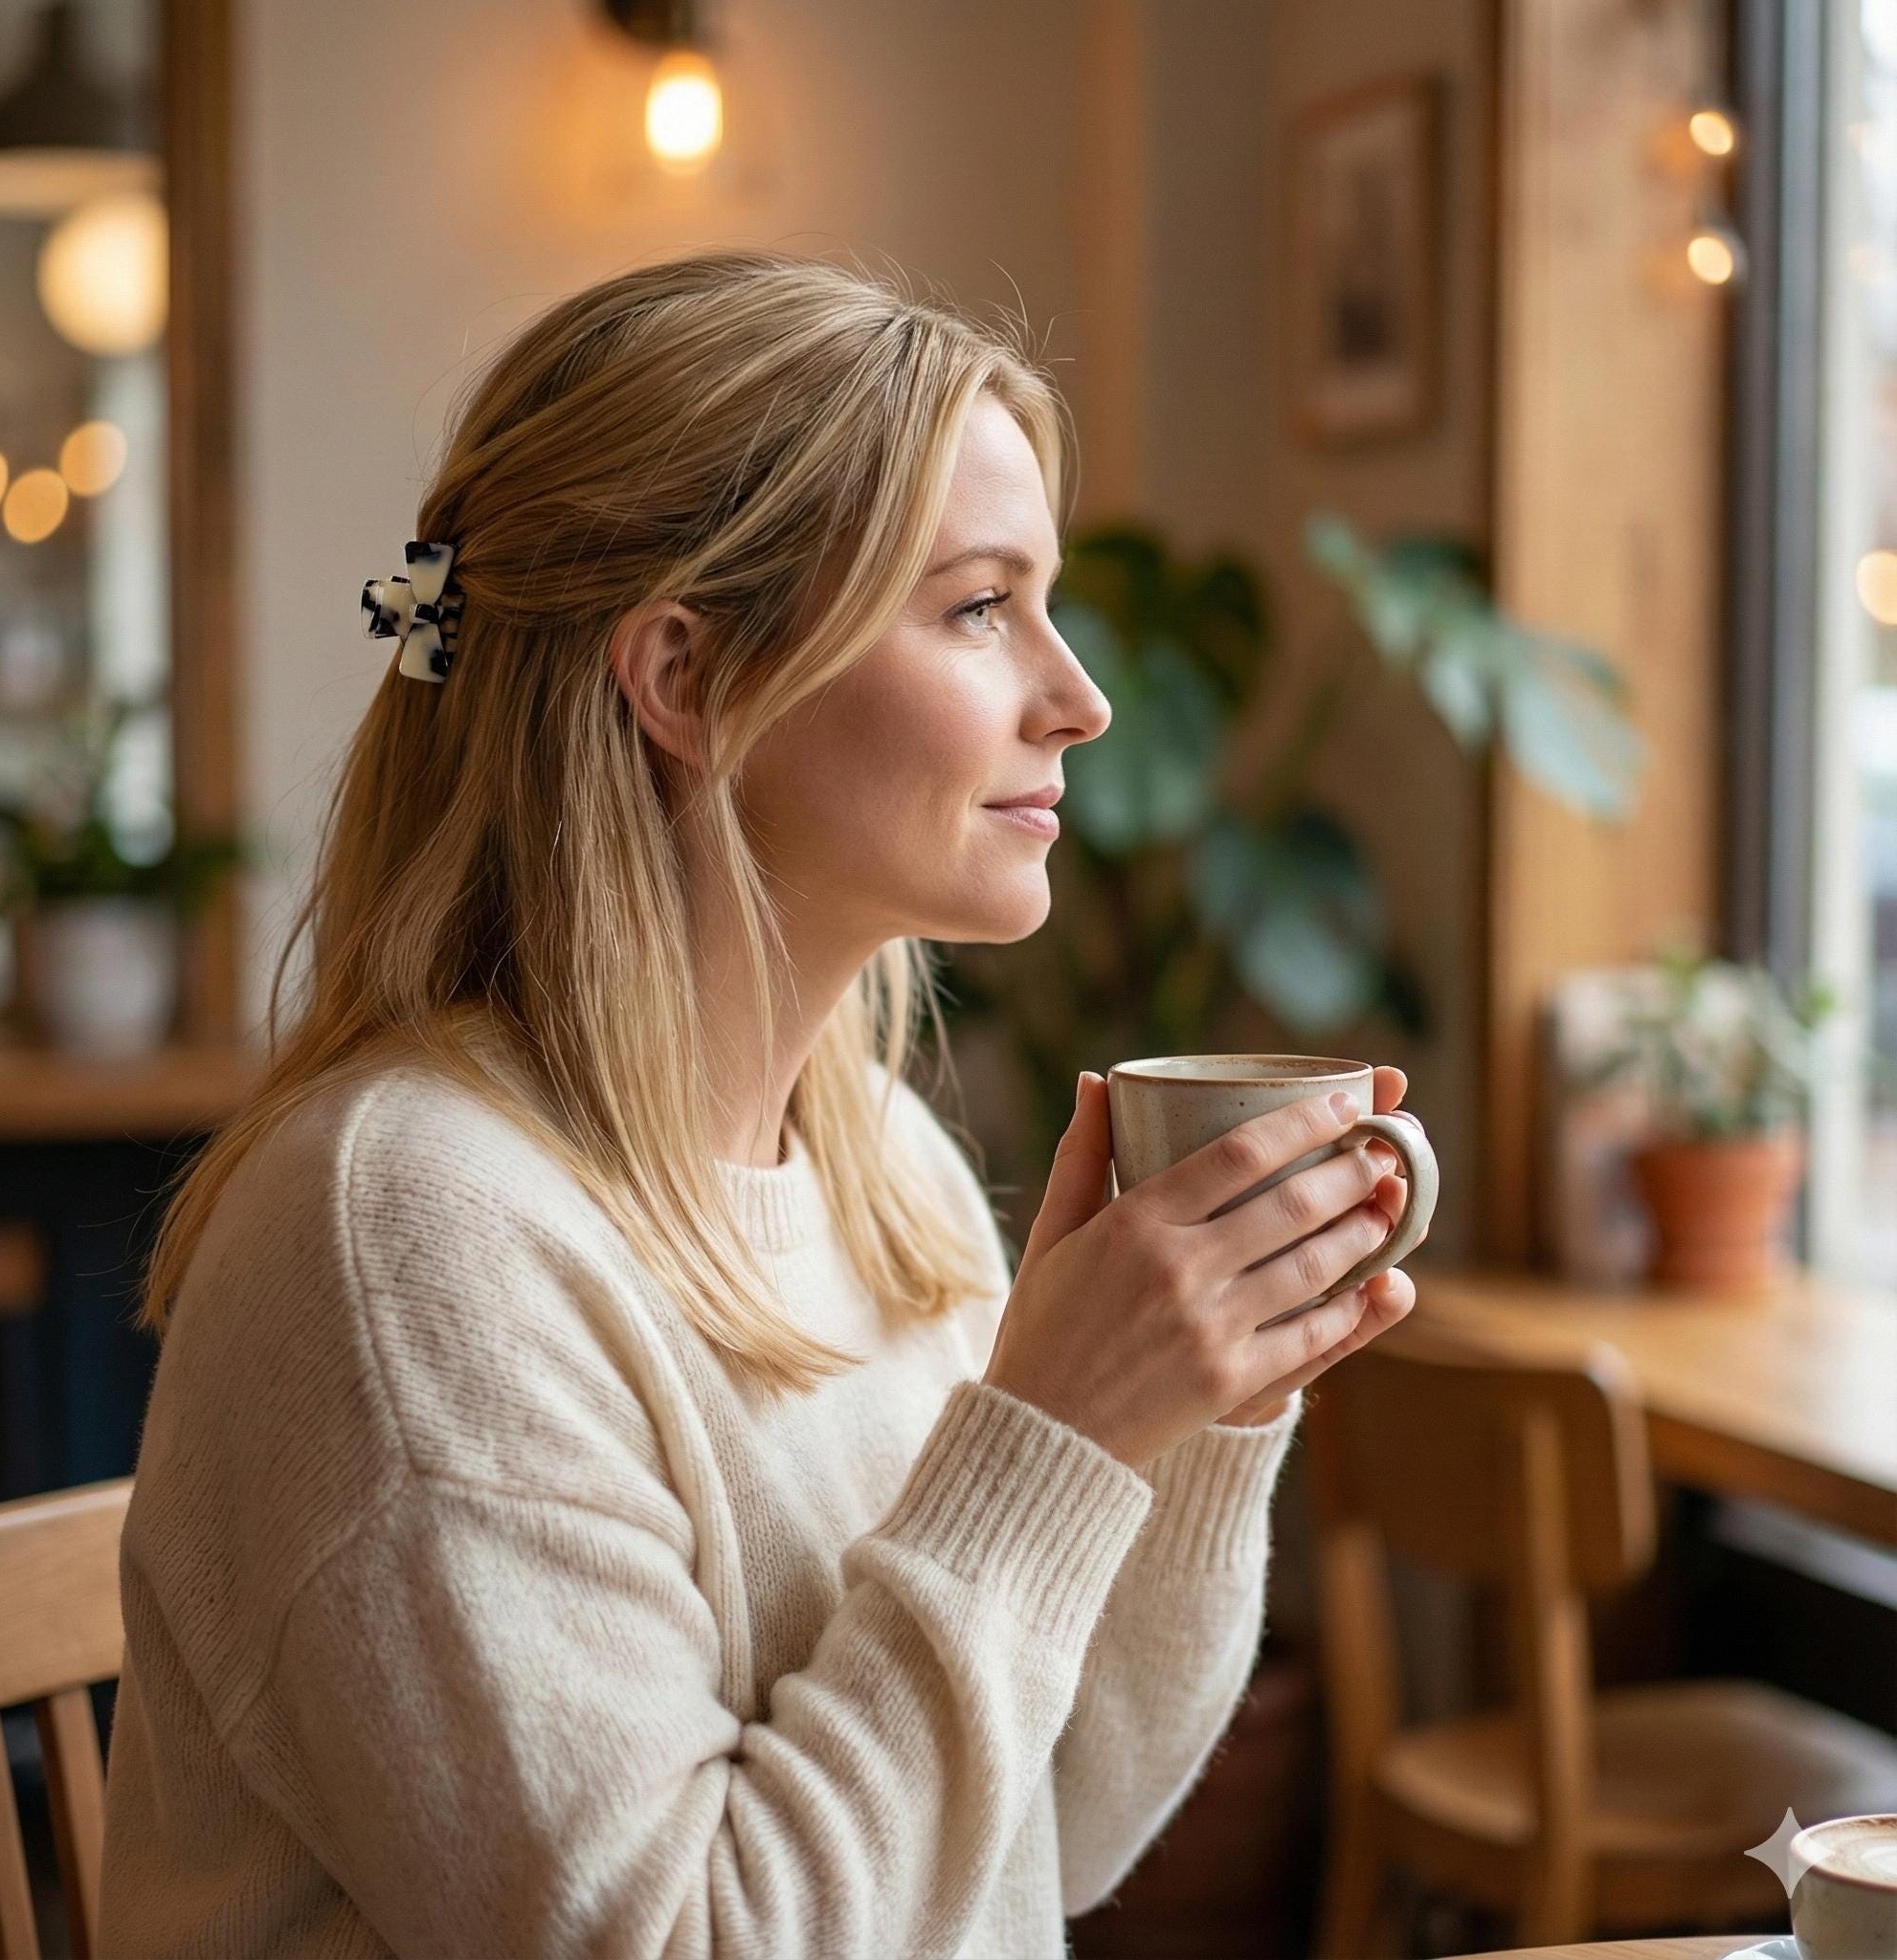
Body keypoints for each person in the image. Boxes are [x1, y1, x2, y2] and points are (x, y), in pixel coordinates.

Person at [97, 248, 1425, 1959]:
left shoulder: (888, 1172)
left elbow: (1046, 1840)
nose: (1077, 696)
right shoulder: (411, 1242)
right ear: (689, 680)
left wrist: (1194, 1409)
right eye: (976, 607)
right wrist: (1056, 1439)